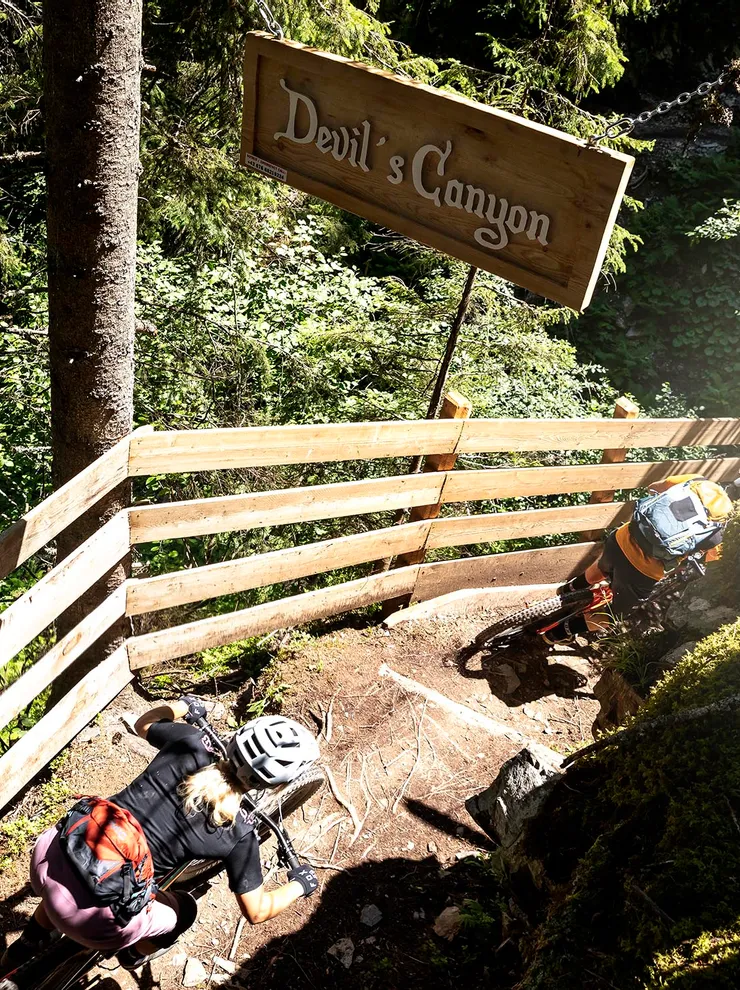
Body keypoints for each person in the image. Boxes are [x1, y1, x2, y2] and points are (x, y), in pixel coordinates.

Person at [1, 699, 320, 974]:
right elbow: (257, 911)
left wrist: (185, 705)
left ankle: (26, 943)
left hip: (51, 853)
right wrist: (300, 884)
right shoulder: (239, 833)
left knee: (78, 867)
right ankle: (131, 955)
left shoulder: (191, 741)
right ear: (274, 785)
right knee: (186, 909)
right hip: (96, 922)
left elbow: (144, 722)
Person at [542, 473, 733, 645]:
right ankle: (555, 634)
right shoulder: (718, 532)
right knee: (617, 615)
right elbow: (710, 559)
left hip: (621, 539)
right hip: (642, 571)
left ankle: (566, 591)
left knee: (601, 567)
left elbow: (655, 486)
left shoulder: (696, 482)